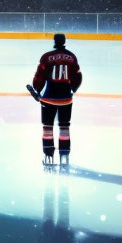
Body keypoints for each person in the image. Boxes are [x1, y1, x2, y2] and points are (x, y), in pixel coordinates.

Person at [31, 33, 82, 167]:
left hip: (48, 98)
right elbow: (77, 76)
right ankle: (64, 155)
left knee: (47, 127)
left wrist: (37, 90)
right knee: (64, 126)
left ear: (54, 41)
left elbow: (39, 76)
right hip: (66, 99)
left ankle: (48, 156)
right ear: (64, 41)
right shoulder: (71, 57)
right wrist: (72, 89)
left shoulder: (47, 57)